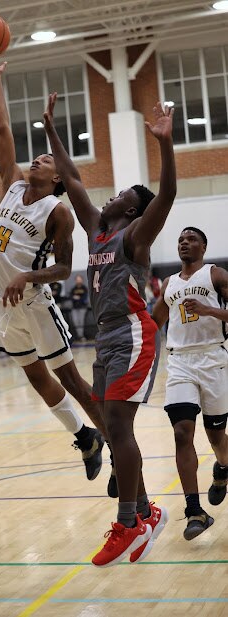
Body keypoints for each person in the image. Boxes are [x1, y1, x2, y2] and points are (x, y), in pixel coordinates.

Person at [44, 92, 176, 566]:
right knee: (110, 421)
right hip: (105, 338)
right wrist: (50, 128)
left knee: (118, 423)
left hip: (134, 333)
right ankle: (145, 511)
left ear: (133, 209)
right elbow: (73, 178)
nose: (112, 194)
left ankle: (128, 526)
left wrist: (165, 144)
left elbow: (167, 196)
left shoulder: (135, 235)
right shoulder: (97, 229)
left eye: (122, 193)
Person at [0, 53, 105, 481]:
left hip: (32, 300)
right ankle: (86, 439)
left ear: (59, 178)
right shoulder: (11, 189)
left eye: (46, 161)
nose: (37, 161)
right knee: (36, 379)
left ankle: (120, 452)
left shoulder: (58, 212)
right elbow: (1, 130)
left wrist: (29, 274)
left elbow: (66, 269)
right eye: (37, 158)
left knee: (72, 380)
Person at [152, 227, 228, 540]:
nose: (185, 242)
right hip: (180, 361)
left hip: (214, 359)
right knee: (182, 432)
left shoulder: (216, 274)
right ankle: (194, 510)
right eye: (181, 239)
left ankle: (223, 467)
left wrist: (210, 310)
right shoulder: (168, 284)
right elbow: (153, 322)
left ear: (204, 247)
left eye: (192, 238)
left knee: (215, 436)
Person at [69, 274, 88, 340]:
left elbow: (84, 298)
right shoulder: (73, 289)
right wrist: (76, 298)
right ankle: (79, 335)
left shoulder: (84, 288)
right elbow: (71, 297)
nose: (78, 281)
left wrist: (78, 298)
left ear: (82, 280)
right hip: (74, 307)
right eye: (77, 280)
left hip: (82, 307)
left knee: (81, 322)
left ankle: (81, 336)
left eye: (80, 279)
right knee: (75, 322)